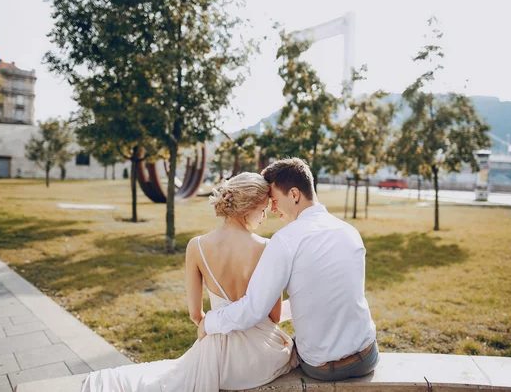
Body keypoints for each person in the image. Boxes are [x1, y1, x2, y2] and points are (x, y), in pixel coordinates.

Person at [81, 172, 297, 392]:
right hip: (260, 357)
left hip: (217, 356)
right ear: (247, 208)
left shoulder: (197, 246)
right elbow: (274, 317)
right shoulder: (267, 247)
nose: (264, 216)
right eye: (262, 209)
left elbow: (195, 315)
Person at [199, 158, 378, 382]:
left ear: (294, 195)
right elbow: (333, 294)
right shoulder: (349, 231)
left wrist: (210, 322)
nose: (272, 209)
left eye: (274, 200)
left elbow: (253, 309)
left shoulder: (285, 240)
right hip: (367, 357)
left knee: (279, 348)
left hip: (321, 367)